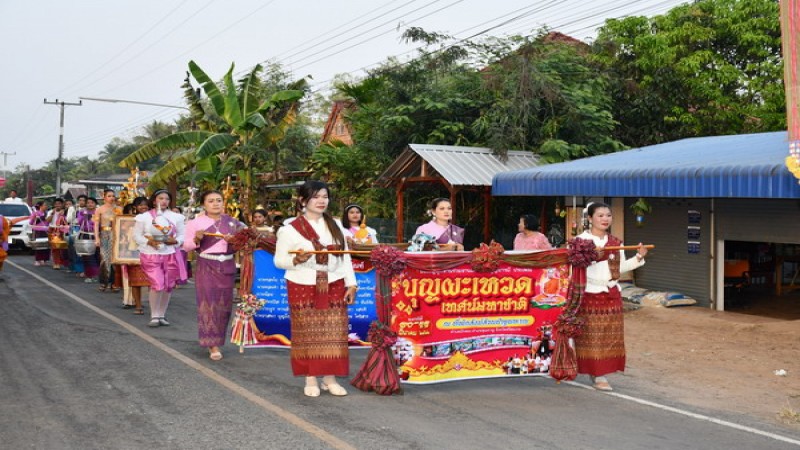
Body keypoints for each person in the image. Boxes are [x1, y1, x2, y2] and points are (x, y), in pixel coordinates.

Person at [274, 180, 358, 397]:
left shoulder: (336, 225)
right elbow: (280, 260)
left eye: (325, 196)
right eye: (316, 197)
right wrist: (297, 260)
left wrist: (351, 283)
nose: (321, 201)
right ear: (303, 200)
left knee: (333, 332)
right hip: (302, 283)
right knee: (307, 332)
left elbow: (345, 257)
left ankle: (329, 379)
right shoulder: (289, 229)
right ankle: (310, 377)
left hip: (334, 282)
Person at [574, 202, 648, 392]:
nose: (605, 219)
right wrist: (592, 256)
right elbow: (575, 268)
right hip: (589, 293)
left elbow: (620, 268)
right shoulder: (580, 241)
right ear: (590, 219)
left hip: (612, 294)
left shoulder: (616, 242)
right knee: (592, 336)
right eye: (600, 215)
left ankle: (600, 371)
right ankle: (597, 374)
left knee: (609, 337)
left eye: (608, 215)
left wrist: (638, 257)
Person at [183, 190, 244, 361]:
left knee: (224, 306)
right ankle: (212, 344)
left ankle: (219, 339)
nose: (216, 203)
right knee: (208, 304)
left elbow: (244, 244)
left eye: (219, 200)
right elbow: (186, 246)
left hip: (227, 266)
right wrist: (196, 239)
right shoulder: (195, 223)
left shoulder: (233, 223)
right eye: (211, 201)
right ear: (204, 204)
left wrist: (235, 242)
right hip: (207, 265)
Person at [133, 189, 186, 328]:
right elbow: (137, 236)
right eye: (160, 198)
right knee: (157, 283)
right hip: (150, 254)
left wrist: (175, 242)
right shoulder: (144, 217)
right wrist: (149, 242)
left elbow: (182, 235)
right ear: (154, 200)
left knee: (168, 285)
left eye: (166, 199)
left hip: (170, 254)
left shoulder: (176, 217)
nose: (164, 201)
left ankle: (162, 314)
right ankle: (154, 315)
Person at [121, 197, 150, 315]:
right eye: (140, 205)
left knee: (152, 281)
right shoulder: (128, 220)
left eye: (145, 205)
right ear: (135, 207)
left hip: (150, 253)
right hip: (133, 253)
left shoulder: (153, 219)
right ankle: (138, 306)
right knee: (135, 281)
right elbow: (122, 236)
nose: (143, 207)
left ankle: (155, 307)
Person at [94, 189, 120, 292]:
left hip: (116, 235)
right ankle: (104, 282)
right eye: (109, 196)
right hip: (104, 235)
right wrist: (97, 238)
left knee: (114, 259)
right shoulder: (99, 209)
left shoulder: (119, 209)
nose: (112, 198)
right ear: (104, 197)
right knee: (104, 258)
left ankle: (114, 283)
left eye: (113, 196)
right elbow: (96, 225)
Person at [77, 197, 100, 282]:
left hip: (97, 236)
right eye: (88, 203)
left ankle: (96, 274)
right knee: (87, 256)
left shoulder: (99, 211)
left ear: (95, 204)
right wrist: (86, 216)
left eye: (92, 202)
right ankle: (90, 275)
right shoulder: (82, 212)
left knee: (97, 256)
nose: (90, 204)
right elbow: (80, 222)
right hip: (86, 235)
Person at [46, 198, 70, 270]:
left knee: (62, 248)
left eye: (59, 204)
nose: (57, 205)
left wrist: (63, 214)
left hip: (62, 231)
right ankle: (56, 263)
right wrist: (52, 214)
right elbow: (47, 221)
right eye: (56, 204)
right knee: (55, 248)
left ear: (62, 205)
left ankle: (63, 262)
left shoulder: (65, 212)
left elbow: (68, 221)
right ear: (54, 205)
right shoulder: (50, 211)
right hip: (52, 230)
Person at [29, 201, 50, 266]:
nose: (46, 206)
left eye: (46, 205)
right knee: (39, 246)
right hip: (38, 231)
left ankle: (45, 259)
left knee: (46, 246)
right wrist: (37, 219)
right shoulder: (35, 213)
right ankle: (38, 260)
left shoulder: (48, 213)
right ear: (40, 206)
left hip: (46, 231)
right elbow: (31, 222)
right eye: (45, 205)